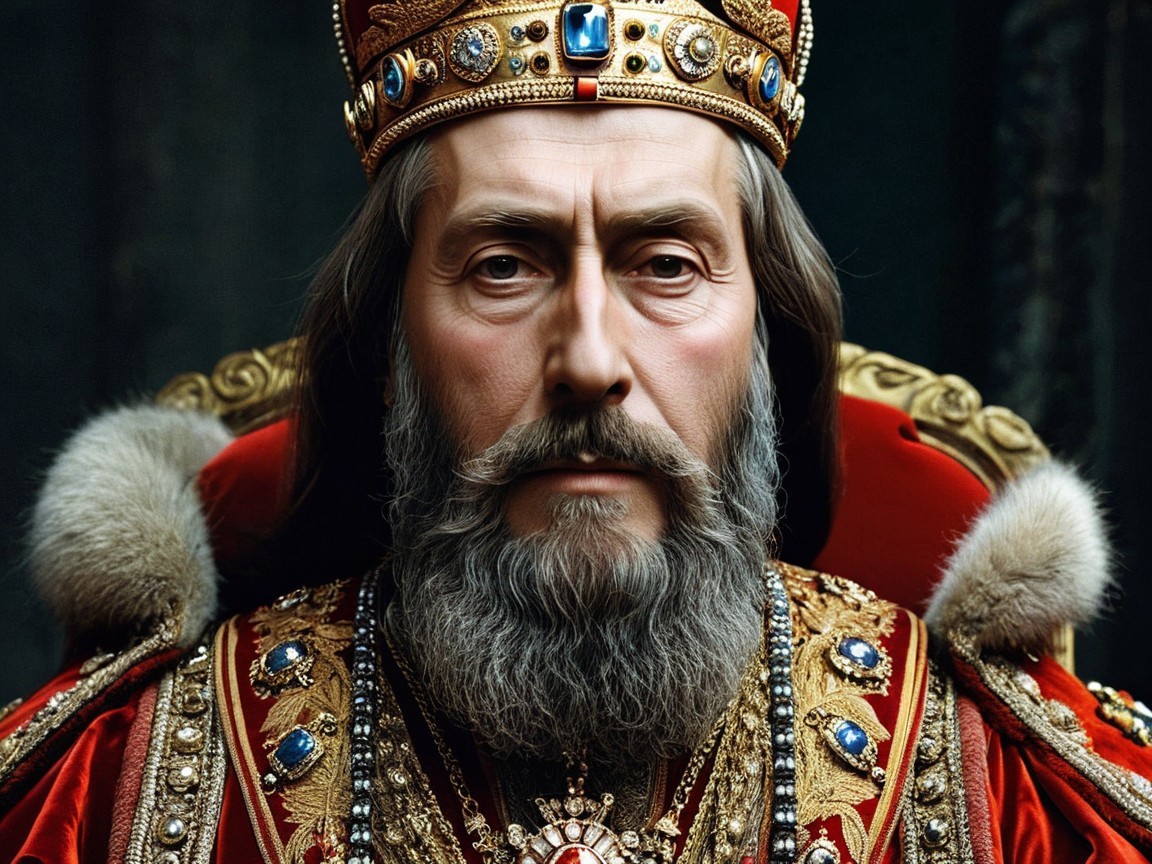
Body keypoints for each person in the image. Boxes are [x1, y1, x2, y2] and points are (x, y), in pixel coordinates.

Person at [1, 0, 1151, 861]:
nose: (591, 360)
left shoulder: (1007, 792)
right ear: (392, 350)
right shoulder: (123, 790)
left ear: (766, 336)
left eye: (665, 264)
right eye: (504, 266)